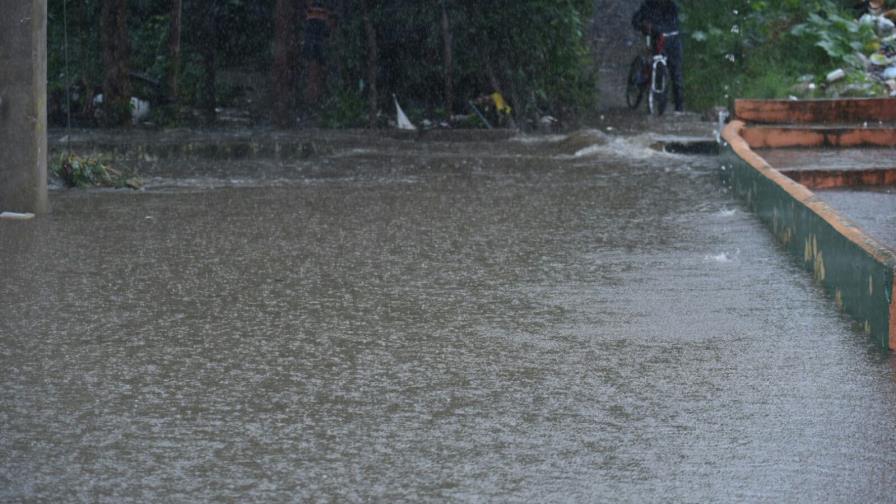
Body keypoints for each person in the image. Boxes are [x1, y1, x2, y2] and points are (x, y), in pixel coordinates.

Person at [631, 0, 684, 113]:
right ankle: (644, 82)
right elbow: (635, 21)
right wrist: (643, 26)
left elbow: (675, 24)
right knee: (655, 67)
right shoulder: (648, 5)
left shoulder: (672, 6)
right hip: (656, 40)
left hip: (672, 42)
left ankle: (679, 108)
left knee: (676, 75)